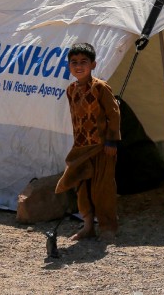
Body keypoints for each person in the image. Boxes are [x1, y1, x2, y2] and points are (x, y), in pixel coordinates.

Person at [55, 43, 121, 242]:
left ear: (93, 64)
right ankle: (88, 226)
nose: (78, 66)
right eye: (74, 62)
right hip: (81, 148)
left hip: (102, 147)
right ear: (68, 67)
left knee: (103, 188)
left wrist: (111, 140)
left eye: (84, 62)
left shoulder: (100, 87)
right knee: (83, 188)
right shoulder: (71, 90)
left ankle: (108, 227)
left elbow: (114, 114)